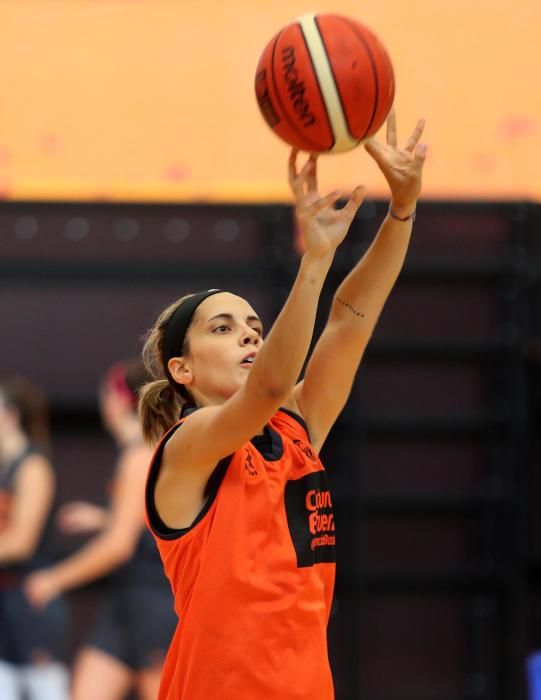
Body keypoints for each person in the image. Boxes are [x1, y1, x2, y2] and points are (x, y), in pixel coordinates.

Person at [140, 111, 427, 699]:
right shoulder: (187, 448)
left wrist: (403, 209)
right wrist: (314, 260)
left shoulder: (295, 431)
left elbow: (350, 323)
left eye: (254, 325)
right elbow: (269, 387)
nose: (248, 335)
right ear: (182, 368)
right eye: (222, 328)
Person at [25, 360, 177, 700]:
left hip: (154, 602)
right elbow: (145, 521)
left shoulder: (139, 456)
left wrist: (54, 580)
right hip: (125, 602)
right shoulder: (136, 452)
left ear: (118, 399)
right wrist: (102, 517)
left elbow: (118, 546)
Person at [0, 376, 69, 700]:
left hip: (31, 598)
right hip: (6, 598)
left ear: (11, 415)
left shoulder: (33, 467)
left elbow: (21, 541)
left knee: (45, 691)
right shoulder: (5, 468)